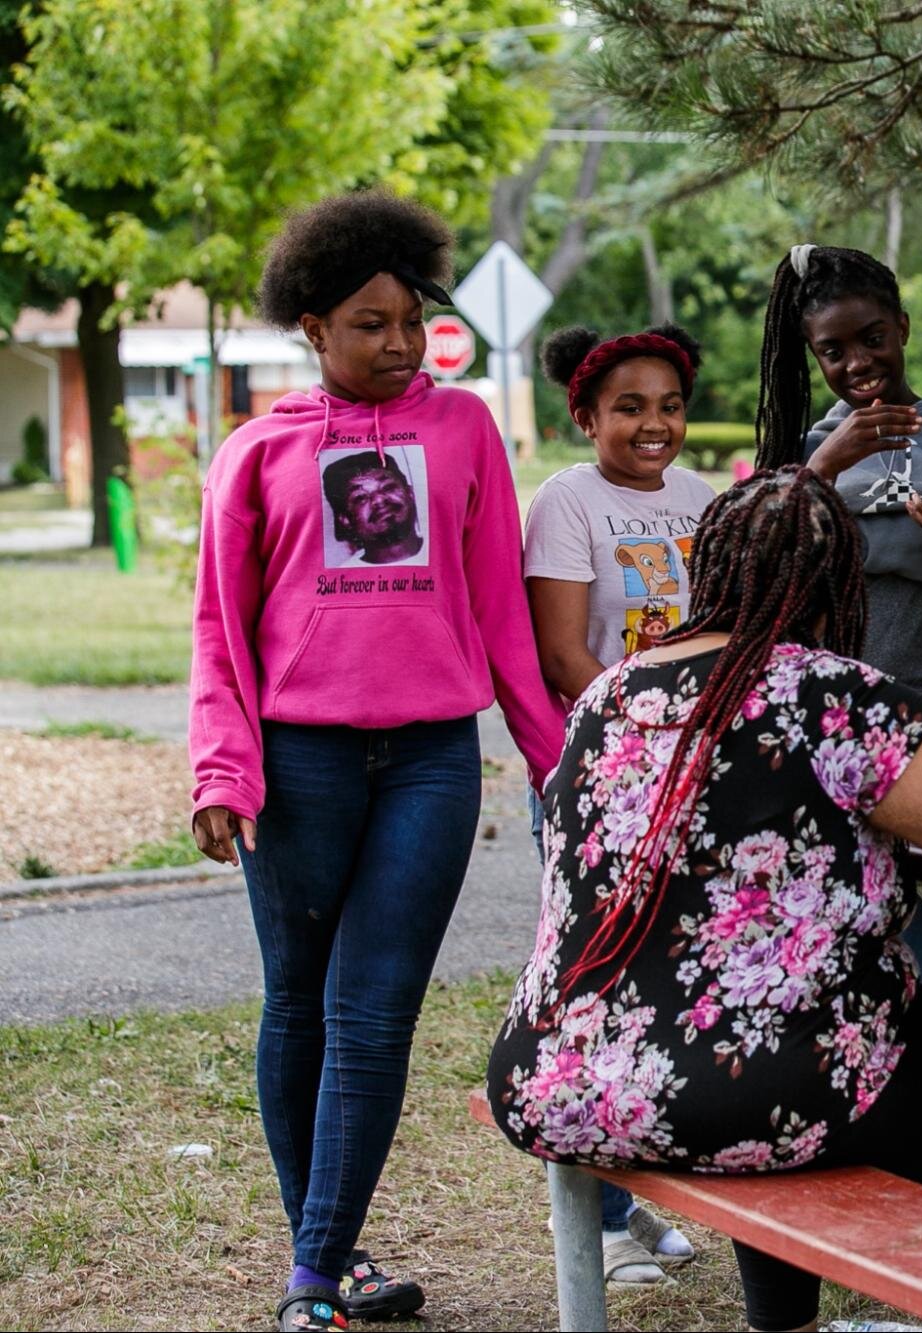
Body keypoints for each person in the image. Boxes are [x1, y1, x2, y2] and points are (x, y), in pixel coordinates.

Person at [487, 468, 922, 1333]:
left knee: (768, 1049)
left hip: (560, 1077)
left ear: (708, 572)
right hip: (732, 1088)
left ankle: (784, 1322)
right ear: (837, 584)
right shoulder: (827, 695)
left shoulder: (609, 694)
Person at [187, 190, 567, 1333]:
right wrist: (223, 769)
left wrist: (561, 762)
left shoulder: (461, 435)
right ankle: (332, 1257)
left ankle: (310, 1278)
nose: (399, 344)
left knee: (372, 1009)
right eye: (369, 323)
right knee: (297, 1003)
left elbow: (502, 613)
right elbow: (219, 624)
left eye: (410, 321)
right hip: (299, 762)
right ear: (312, 324)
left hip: (430, 765)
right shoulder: (254, 452)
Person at [752, 242, 922, 991]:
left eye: (871, 337)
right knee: (824, 930)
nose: (857, 363)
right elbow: (758, 584)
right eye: (831, 352)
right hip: (816, 718)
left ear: (903, 327)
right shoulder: (809, 450)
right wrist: (823, 468)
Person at [521, 321, 716, 1283]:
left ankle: (649, 1194)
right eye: (630, 407)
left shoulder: (701, 497)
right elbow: (562, 654)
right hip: (598, 774)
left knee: (674, 991)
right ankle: (594, 1217)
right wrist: (644, 746)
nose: (654, 425)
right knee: (592, 991)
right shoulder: (566, 501)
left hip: (693, 778)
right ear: (586, 414)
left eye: (669, 406)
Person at [322, 450, 425, 566]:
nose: (379, 500)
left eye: (388, 487)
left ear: (410, 493)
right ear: (346, 519)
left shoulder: (445, 550)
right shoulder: (342, 578)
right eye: (361, 498)